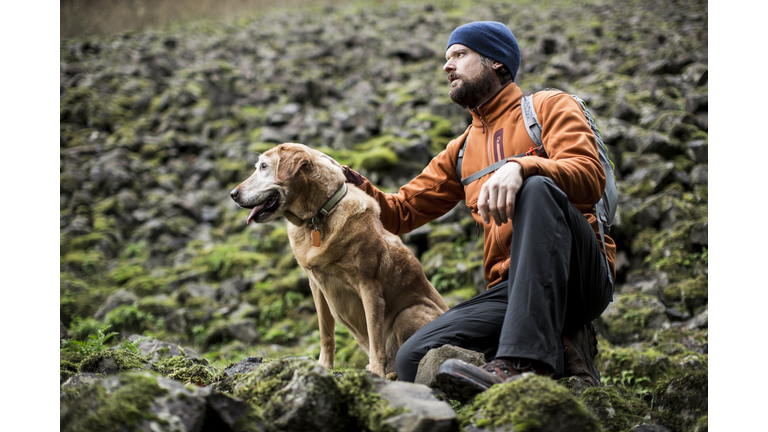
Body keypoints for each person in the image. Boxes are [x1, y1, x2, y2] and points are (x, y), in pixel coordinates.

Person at [341, 21, 615, 401]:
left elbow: (589, 176)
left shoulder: (548, 107)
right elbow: (399, 213)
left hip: (579, 275)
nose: (446, 66)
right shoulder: (462, 149)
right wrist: (345, 183)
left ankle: (523, 363)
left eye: (459, 55)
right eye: (446, 58)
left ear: (497, 62)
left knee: (536, 189)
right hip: (511, 290)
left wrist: (522, 167)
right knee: (412, 358)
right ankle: (556, 349)